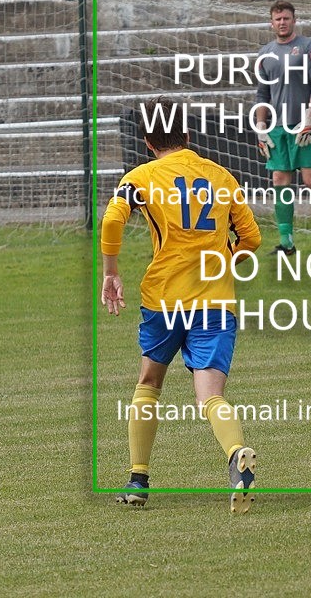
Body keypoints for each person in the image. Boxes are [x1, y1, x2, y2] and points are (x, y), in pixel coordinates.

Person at [101, 96, 262, 512]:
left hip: (164, 298)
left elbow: (111, 220)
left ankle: (138, 479)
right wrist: (226, 260)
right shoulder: (221, 176)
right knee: (210, 396)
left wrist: (111, 271)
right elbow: (252, 239)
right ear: (187, 134)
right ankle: (235, 454)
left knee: (149, 382)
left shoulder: (140, 177)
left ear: (147, 142)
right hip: (215, 301)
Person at [254, 0, 311, 255]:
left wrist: (309, 119)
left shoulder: (308, 47)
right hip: (277, 127)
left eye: (286, 18)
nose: (282, 22)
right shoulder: (265, 54)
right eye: (277, 19)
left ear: (294, 20)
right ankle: (287, 243)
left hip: (303, 125)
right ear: (271, 23)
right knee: (279, 180)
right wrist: (261, 126)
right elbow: (263, 93)